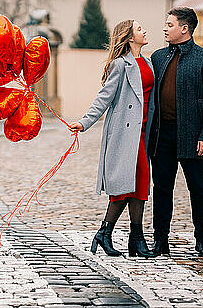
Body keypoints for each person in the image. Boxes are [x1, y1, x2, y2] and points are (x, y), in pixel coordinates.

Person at [70, 20, 156, 258]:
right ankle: (106, 233)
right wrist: (85, 122)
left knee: (140, 185)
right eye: (140, 29)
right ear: (129, 37)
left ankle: (135, 240)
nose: (144, 31)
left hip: (144, 132)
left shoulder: (148, 62)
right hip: (125, 132)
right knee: (124, 184)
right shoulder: (120, 65)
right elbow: (104, 98)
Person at [148, 7, 203, 257]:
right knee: (162, 189)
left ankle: (202, 240)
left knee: (198, 189)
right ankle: (160, 240)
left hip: (193, 136)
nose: (165, 29)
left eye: (169, 24)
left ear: (184, 28)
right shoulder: (157, 57)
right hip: (162, 135)